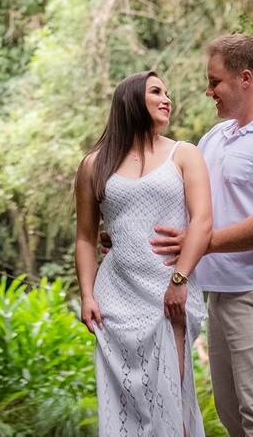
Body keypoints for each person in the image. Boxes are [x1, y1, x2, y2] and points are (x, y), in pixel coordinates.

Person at [144, 35, 253, 437]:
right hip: (220, 295)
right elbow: (189, 216)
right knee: (232, 418)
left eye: (215, 81)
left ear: (245, 78)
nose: (208, 91)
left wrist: (204, 242)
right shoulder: (213, 139)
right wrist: (128, 237)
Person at [75, 70, 214, 437]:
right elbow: (86, 238)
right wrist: (87, 295)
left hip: (169, 296)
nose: (167, 98)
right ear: (131, 100)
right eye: (156, 91)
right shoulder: (94, 164)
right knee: (124, 412)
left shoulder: (184, 154)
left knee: (173, 406)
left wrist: (179, 279)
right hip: (115, 302)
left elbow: (202, 222)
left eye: (167, 92)